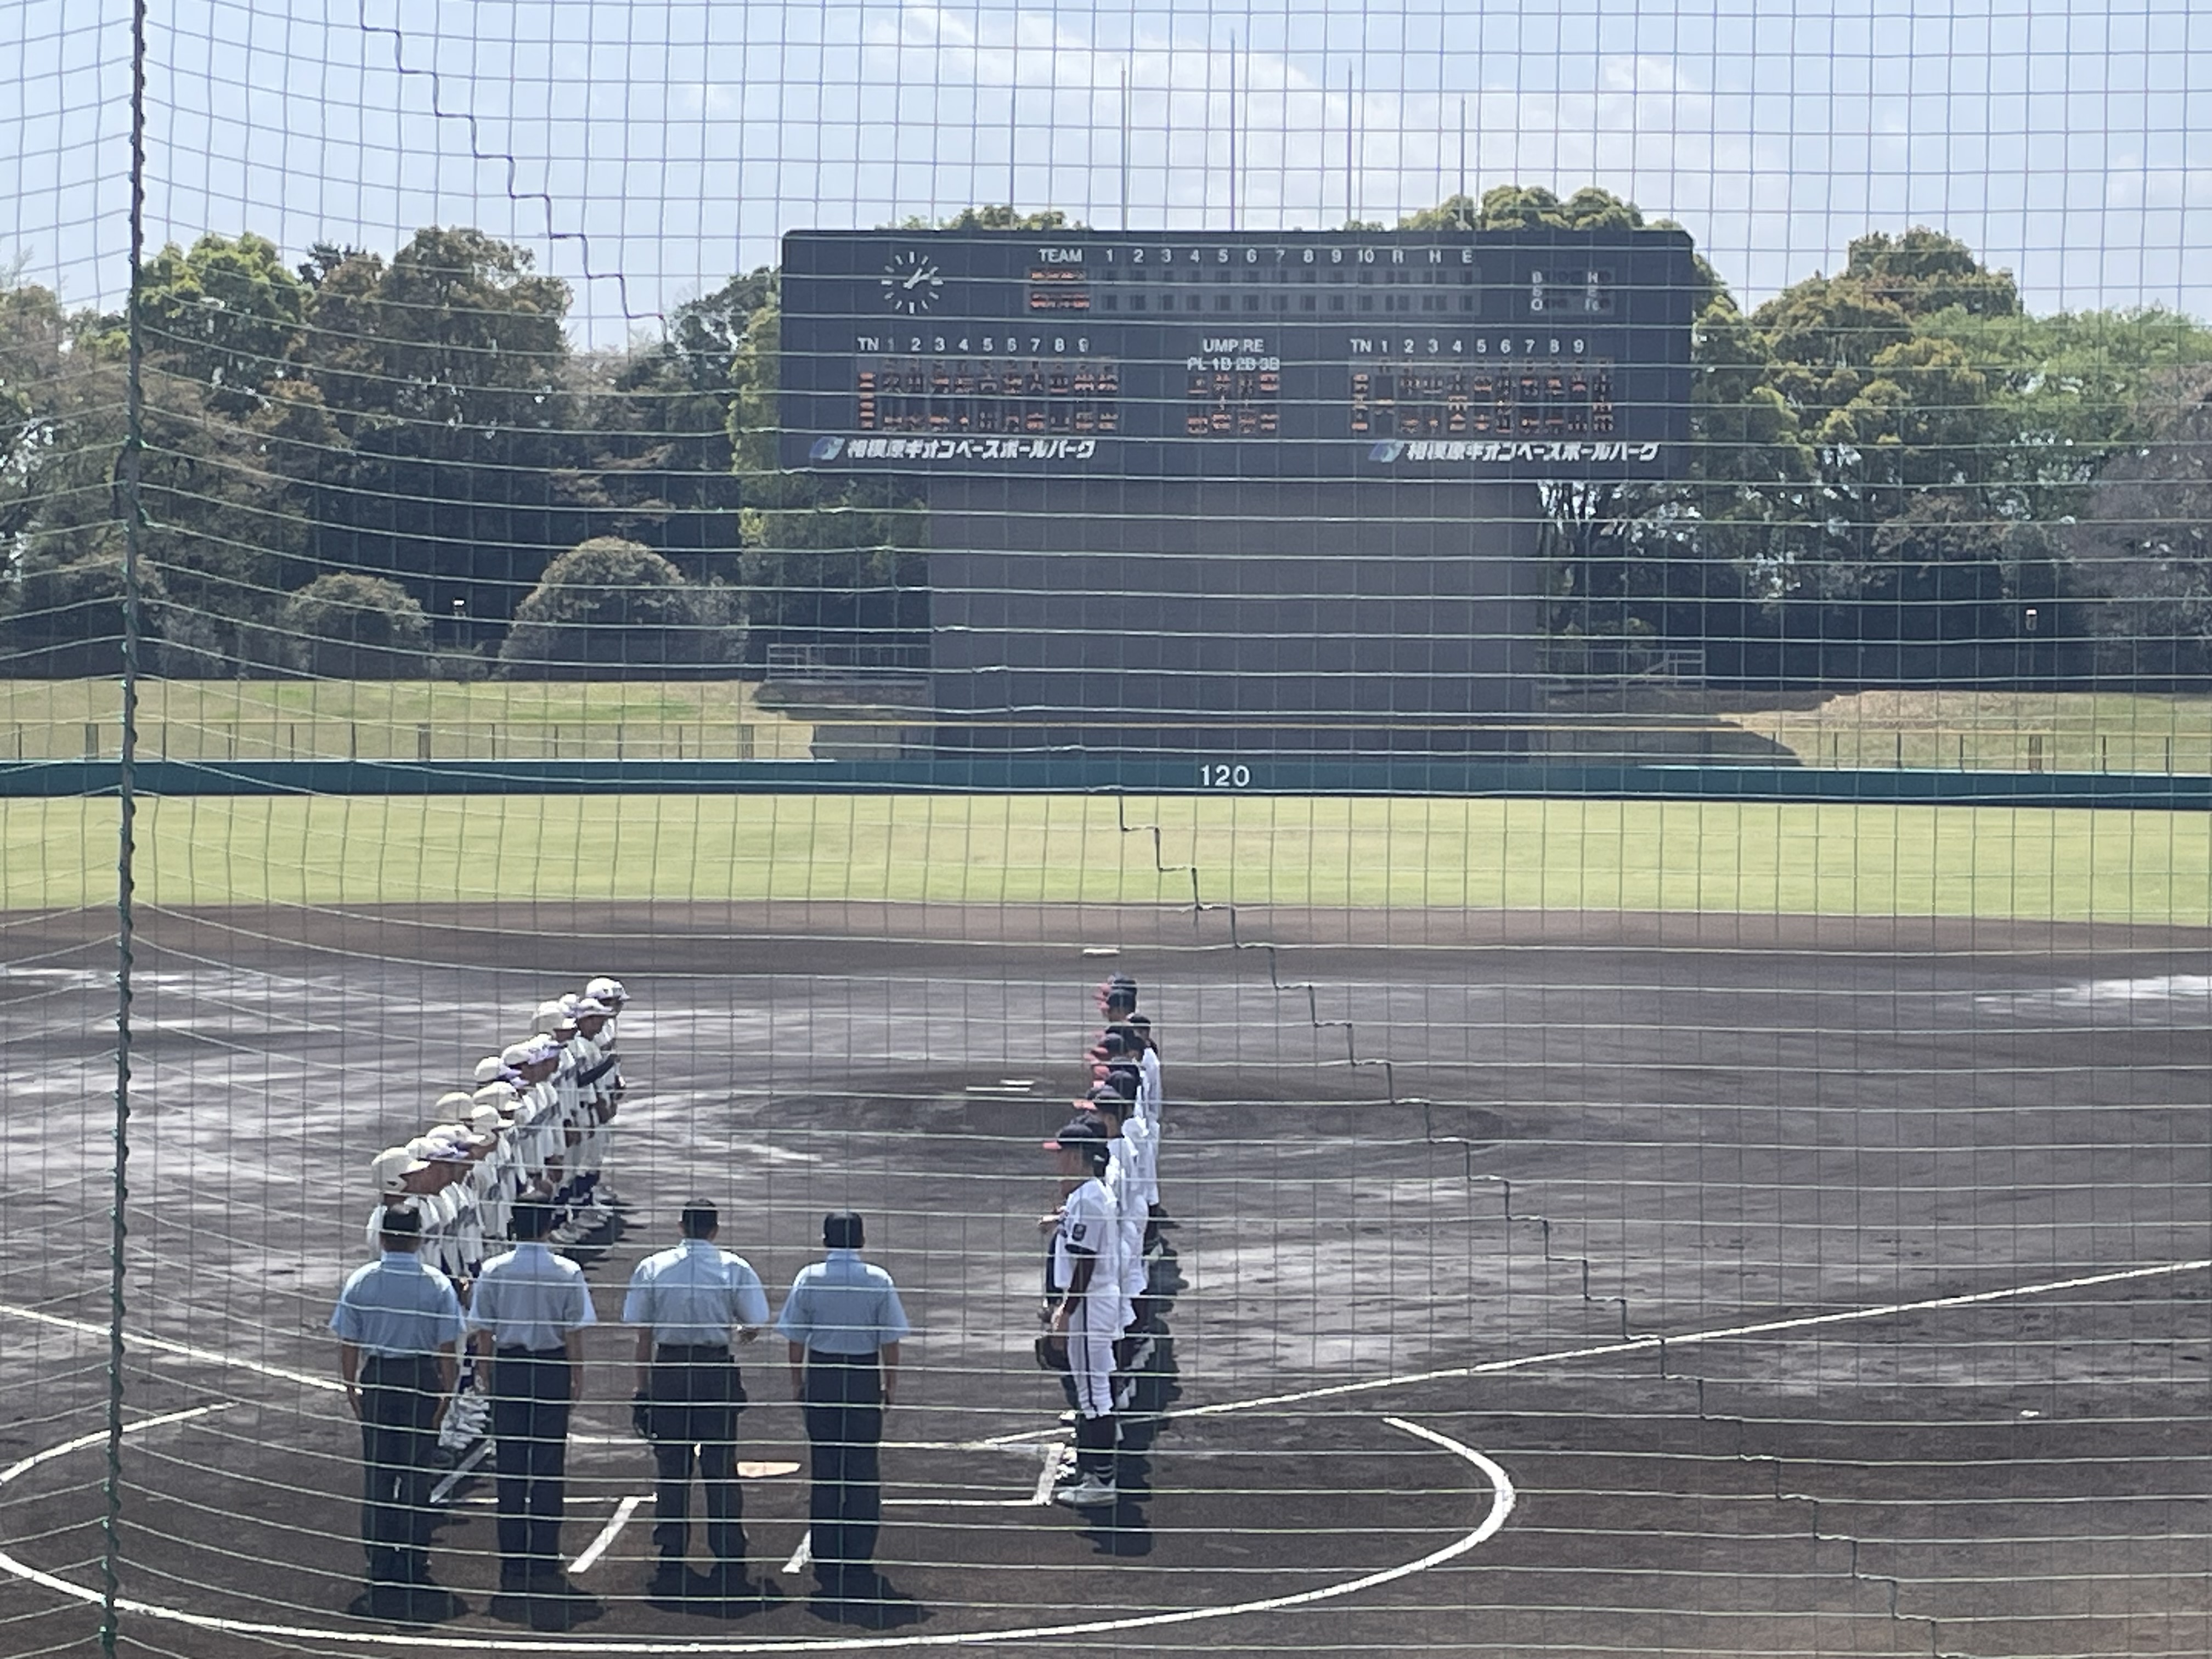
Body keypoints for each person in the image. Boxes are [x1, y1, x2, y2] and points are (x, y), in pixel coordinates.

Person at [620, 1200, 770, 1598]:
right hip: (714, 1370)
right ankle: (728, 1552)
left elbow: (643, 1336)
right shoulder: (733, 1267)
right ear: (714, 1230)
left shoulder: (653, 1267)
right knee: (720, 1466)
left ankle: (671, 1550)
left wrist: (642, 1389)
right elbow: (755, 1322)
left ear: (681, 1227)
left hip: (669, 1370)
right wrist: (737, 1330)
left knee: (672, 1466)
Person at [330, 1206, 466, 1601]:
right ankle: (412, 1559)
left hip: (380, 1378)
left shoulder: (362, 1280)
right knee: (416, 1474)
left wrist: (352, 1388)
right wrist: (446, 1395)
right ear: (419, 1238)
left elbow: (349, 1342)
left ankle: (379, 1560)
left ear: (384, 1238)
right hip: (420, 1379)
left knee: (378, 1474)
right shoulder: (436, 1283)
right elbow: (447, 1350)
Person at [776, 1211, 909, 1601]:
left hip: (824, 1375)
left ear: (825, 1240)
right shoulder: (878, 1280)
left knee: (826, 1466)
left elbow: (796, 1338)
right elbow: (890, 1340)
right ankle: (859, 1552)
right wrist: (890, 1385)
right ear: (862, 1242)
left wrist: (798, 1383)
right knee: (863, 1467)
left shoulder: (810, 1277)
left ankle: (827, 1550)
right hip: (863, 1376)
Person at [468, 1198, 596, 1594]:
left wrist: (487, 1372)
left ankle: (513, 1558)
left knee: (510, 1464)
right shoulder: (567, 1271)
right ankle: (544, 1555)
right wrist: (577, 1377)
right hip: (550, 1368)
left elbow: (483, 1331)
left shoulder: (494, 1269)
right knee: (547, 1464)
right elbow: (573, 1331)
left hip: (510, 1367)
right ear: (548, 1226)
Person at [1042, 1114, 1121, 1508]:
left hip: (1090, 1305)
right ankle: (1092, 1472)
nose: (1057, 1162)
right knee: (1093, 1395)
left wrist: (1065, 1313)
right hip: (1092, 1302)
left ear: (1075, 1157)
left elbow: (1086, 1262)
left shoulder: (1089, 1198)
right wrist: (1058, 1218)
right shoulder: (1088, 1195)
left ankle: (1100, 1482)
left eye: (1061, 1155)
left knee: (1094, 1397)